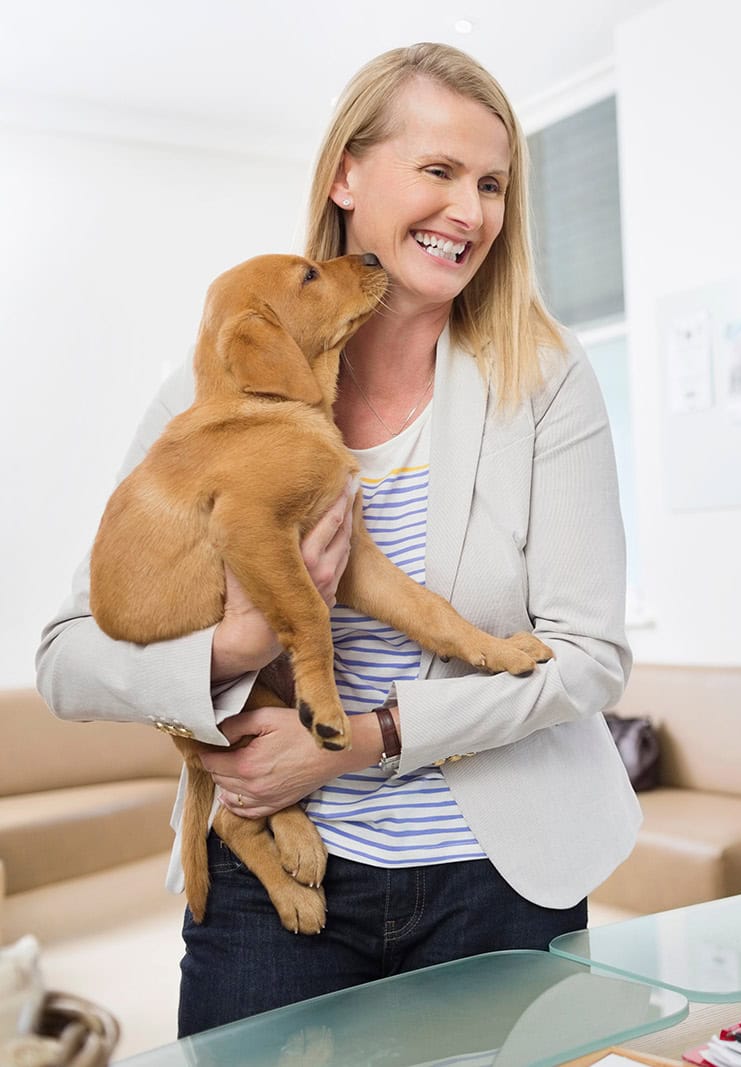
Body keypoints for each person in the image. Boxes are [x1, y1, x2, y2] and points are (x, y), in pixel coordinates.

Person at [36, 43, 640, 1035]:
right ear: (345, 175)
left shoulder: (544, 380)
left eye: (491, 183)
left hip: (498, 882)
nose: (472, 210)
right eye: (439, 170)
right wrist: (235, 650)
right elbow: (67, 661)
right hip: (266, 885)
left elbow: (589, 660)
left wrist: (362, 741)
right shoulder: (209, 394)